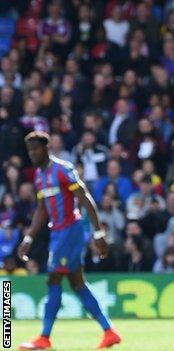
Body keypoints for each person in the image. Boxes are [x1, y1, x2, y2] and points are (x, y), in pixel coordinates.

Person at [17, 132, 122, 350]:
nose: (33, 153)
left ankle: (44, 337)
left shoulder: (62, 169)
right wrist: (29, 237)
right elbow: (41, 210)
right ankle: (109, 331)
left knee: (53, 279)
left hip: (69, 231)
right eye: (30, 150)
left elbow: (84, 197)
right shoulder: (39, 176)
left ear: (46, 148)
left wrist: (98, 233)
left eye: (36, 148)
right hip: (57, 232)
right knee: (77, 283)